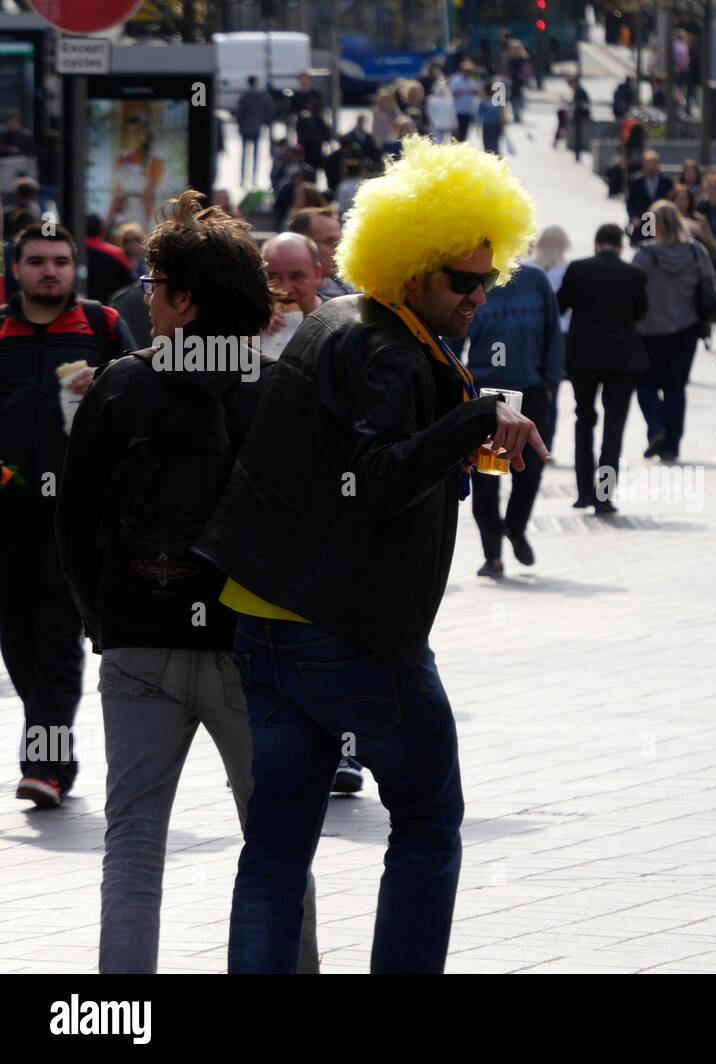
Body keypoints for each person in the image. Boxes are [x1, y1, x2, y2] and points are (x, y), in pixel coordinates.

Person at [193, 138, 546, 974]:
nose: (480, 293)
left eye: (488, 277)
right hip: (346, 632)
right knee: (428, 825)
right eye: (463, 280)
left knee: (276, 850)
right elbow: (376, 477)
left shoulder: (335, 319)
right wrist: (473, 419)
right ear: (412, 266)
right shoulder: (389, 347)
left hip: (262, 621)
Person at [54, 190, 320, 974]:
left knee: (132, 842)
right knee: (275, 845)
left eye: (156, 281)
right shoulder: (279, 391)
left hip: (139, 641)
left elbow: (74, 521)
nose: (144, 293)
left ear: (187, 300)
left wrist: (105, 621)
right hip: (252, 651)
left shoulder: (120, 385)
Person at [2, 223, 135, 807]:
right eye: (37, 260)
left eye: (59, 259)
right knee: (21, 646)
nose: (48, 270)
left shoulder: (102, 326)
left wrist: (105, 380)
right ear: (16, 268)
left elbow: (144, 392)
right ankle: (53, 749)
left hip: (75, 519)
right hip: (7, 521)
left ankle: (47, 766)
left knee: (58, 642)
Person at [457, 261, 563, 575]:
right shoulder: (473, 282)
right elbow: (452, 340)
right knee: (488, 476)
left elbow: (553, 334)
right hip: (488, 395)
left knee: (529, 472)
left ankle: (515, 527)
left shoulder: (536, 280)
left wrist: (549, 384)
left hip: (530, 393)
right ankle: (493, 556)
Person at [557, 223, 648, 512]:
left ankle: (584, 491)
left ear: (596, 243)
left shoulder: (578, 269)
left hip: (584, 357)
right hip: (622, 358)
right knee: (614, 427)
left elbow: (560, 305)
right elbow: (640, 312)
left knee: (583, 419)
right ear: (621, 245)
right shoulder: (635, 275)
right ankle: (604, 495)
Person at [632, 201, 715, 463]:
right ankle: (672, 446)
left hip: (648, 331)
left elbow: (630, 289)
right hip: (686, 330)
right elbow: (711, 283)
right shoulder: (695, 252)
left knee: (645, 385)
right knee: (675, 389)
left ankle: (656, 428)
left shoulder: (644, 256)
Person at [524, 224, 572, 448]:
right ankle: (546, 441)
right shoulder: (568, 271)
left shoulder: (526, 269)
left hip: (528, 335)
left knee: (524, 386)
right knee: (550, 389)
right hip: (560, 335)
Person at [260, 232, 324, 358]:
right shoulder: (247, 323)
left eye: (297, 276)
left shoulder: (339, 324)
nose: (285, 289)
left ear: (317, 274)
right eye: (273, 277)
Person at [289, 207, 353, 299]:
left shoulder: (348, 291)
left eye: (340, 242)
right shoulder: (281, 296)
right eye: (330, 241)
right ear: (301, 244)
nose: (339, 250)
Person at [84, 213, 137, 304]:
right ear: (102, 231)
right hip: (109, 310)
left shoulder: (68, 252)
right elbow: (132, 285)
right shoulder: (115, 254)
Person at [626, 150, 674, 245]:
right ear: (643, 164)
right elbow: (630, 203)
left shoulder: (667, 182)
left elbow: (671, 202)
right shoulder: (636, 182)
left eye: (654, 163)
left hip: (661, 224)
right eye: (648, 163)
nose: (651, 166)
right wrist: (633, 218)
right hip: (642, 223)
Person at [236, 76, 277, 187]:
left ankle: (243, 178)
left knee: (244, 155)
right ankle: (254, 178)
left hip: (245, 128)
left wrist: (240, 127)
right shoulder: (263, 96)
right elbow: (269, 111)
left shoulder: (244, 97)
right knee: (255, 155)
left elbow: (239, 113)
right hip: (257, 127)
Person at [671, 183, 716, 259]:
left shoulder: (700, 219)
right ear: (673, 201)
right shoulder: (667, 219)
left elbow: (712, 246)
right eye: (679, 199)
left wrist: (700, 234)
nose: (683, 203)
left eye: (685, 199)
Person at [451, 62, 480, 142]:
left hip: (468, 110)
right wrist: (464, 91)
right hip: (458, 110)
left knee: (465, 131)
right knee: (457, 131)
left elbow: (477, 92)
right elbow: (453, 93)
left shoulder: (472, 81)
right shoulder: (456, 81)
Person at [424, 81, 459, 145]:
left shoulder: (449, 100)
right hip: (439, 124)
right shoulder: (432, 99)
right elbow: (429, 112)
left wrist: (455, 125)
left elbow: (452, 114)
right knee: (438, 142)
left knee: (444, 142)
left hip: (444, 125)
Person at [477, 82, 506, 155]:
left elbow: (480, 115)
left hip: (487, 125)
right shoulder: (498, 102)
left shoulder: (483, 102)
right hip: (497, 125)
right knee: (495, 145)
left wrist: (477, 126)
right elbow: (502, 115)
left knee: (487, 146)